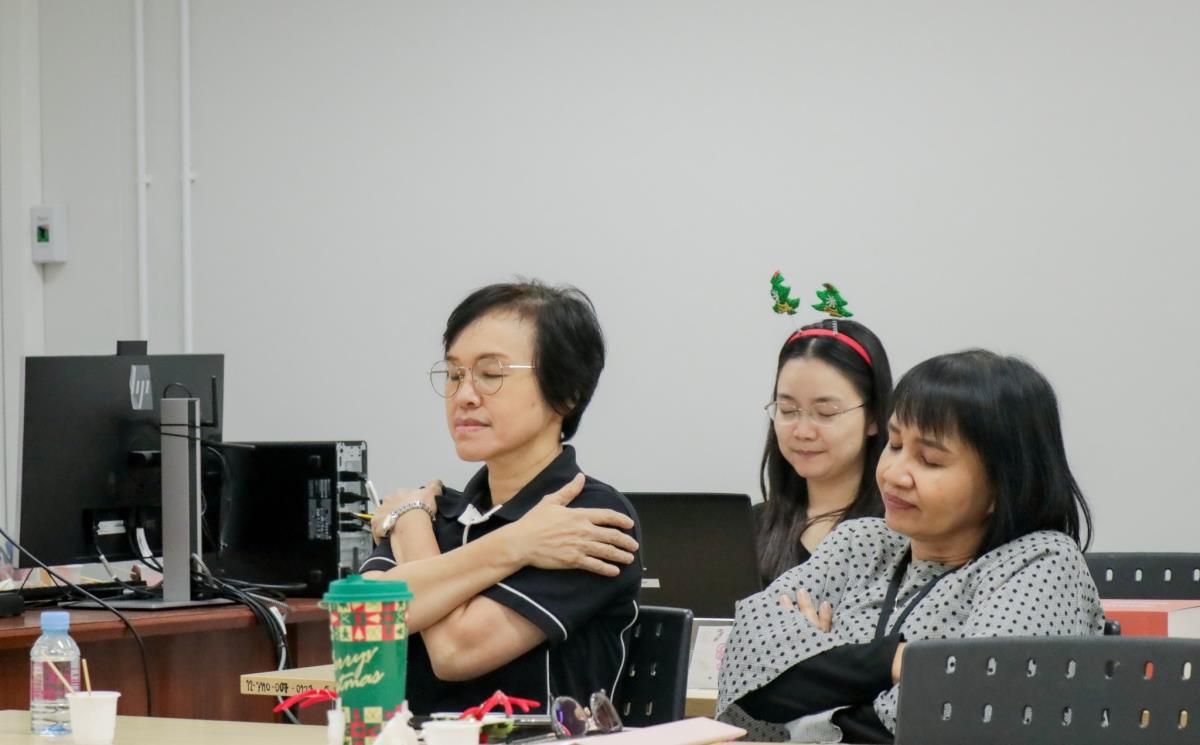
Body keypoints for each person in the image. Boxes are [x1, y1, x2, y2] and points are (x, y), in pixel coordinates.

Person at [719, 350, 1104, 743]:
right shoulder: (861, 542)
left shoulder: (1041, 563)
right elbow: (747, 666)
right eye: (895, 444)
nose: (894, 474)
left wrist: (819, 672)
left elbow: (966, 715)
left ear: (1003, 485)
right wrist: (893, 661)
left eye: (930, 460)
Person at [360, 280, 642, 714]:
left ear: (567, 393)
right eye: (455, 375)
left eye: (491, 374)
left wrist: (411, 525)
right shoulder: (435, 513)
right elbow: (361, 621)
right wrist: (516, 544)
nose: (464, 396)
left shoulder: (585, 516)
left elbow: (456, 652)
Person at [755, 320, 893, 584]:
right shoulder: (751, 529)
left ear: (874, 416)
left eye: (826, 413)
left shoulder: (901, 532)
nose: (803, 431)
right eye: (788, 410)